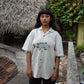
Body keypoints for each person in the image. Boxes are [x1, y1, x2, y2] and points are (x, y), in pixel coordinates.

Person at [22, 8, 64, 84]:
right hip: (35, 69)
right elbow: (28, 51)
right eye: (42, 16)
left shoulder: (56, 35)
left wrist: (56, 71)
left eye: (47, 16)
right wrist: (28, 67)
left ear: (50, 18)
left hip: (49, 70)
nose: (44, 19)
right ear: (39, 18)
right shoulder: (33, 33)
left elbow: (58, 55)